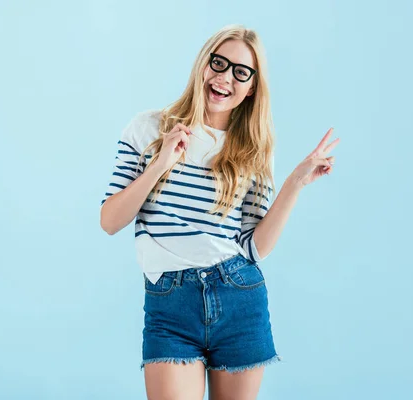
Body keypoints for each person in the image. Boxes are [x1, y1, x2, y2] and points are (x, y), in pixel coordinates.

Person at [100, 24, 339, 400]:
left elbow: (254, 247)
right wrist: (161, 163)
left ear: (252, 87)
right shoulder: (148, 129)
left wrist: (295, 181)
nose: (225, 77)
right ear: (203, 65)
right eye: (219, 63)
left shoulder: (254, 150)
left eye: (240, 72)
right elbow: (110, 221)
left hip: (238, 298)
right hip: (170, 305)